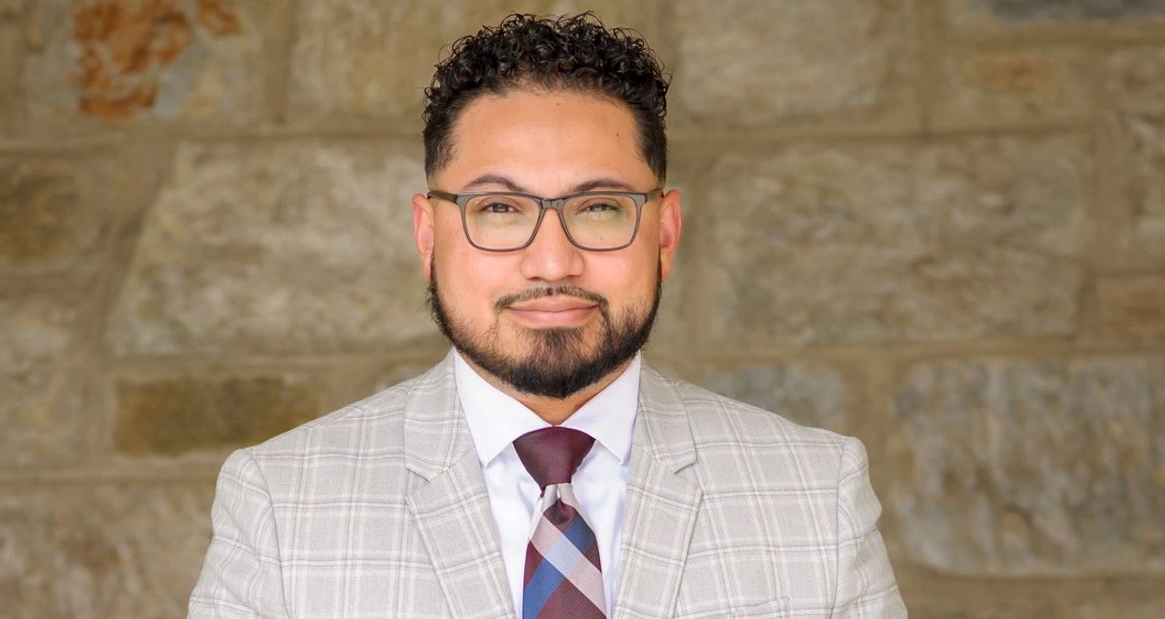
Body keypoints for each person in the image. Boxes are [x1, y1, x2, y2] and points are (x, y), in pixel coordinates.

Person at [189, 13, 906, 618]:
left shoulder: (816, 493)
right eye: (499, 209)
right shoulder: (281, 503)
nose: (553, 261)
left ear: (664, 232)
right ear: (428, 236)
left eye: (599, 207)